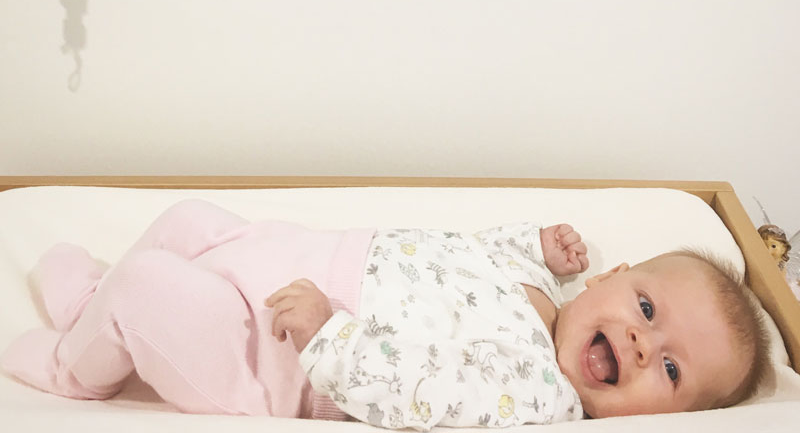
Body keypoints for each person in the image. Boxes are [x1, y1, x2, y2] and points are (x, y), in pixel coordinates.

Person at [1, 198, 771, 427]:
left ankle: (77, 369)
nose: (639, 343)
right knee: (188, 222)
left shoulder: (541, 394)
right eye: (645, 307)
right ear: (615, 273)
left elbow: (427, 394)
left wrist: (329, 336)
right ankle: (90, 309)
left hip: (275, 353)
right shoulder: (539, 292)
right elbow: (469, 252)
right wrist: (536, 242)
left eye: (670, 368)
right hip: (289, 256)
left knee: (150, 286)